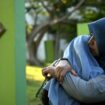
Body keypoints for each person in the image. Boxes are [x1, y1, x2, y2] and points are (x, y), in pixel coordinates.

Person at [42, 18, 105, 105]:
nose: (90, 42)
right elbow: (74, 50)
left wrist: (56, 72)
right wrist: (63, 61)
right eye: (91, 35)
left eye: (96, 39)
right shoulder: (85, 44)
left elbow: (86, 93)